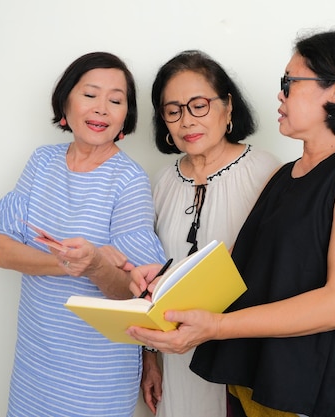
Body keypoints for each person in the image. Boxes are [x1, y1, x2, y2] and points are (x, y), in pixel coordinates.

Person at [127, 28, 335, 417]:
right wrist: (163, 280)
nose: (280, 94)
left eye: (290, 82)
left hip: (320, 388)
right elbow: (236, 273)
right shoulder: (285, 175)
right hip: (260, 383)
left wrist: (217, 328)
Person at [0, 52, 165, 417]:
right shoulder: (42, 162)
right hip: (36, 361)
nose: (102, 108)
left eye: (115, 101)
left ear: (124, 118)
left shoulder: (128, 180)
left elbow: (134, 292)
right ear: (66, 101)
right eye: (90, 94)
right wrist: (72, 263)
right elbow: (2, 252)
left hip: (98, 372)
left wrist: (95, 264)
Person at [140, 50, 282, 416]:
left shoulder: (266, 172)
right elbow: (150, 281)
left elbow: (280, 274)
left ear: (228, 106)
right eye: (173, 110)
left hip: (240, 354)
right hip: (175, 359)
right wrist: (150, 359)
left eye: (199, 105)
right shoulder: (161, 182)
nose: (187, 120)